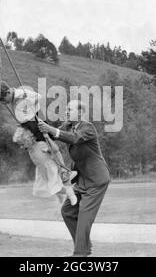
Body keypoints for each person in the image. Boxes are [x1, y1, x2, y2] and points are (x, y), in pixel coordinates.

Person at [38, 100, 111, 257]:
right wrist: (35, 123)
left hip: (97, 180)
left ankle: (80, 253)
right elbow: (52, 134)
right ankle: (85, 246)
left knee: (84, 215)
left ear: (80, 113)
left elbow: (73, 138)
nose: (66, 112)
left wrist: (50, 129)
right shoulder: (68, 126)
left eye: (69, 109)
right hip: (81, 179)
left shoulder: (87, 127)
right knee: (67, 211)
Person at [0, 82, 77, 205]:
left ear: (8, 92)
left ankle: (65, 173)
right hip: (30, 128)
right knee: (49, 162)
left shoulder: (21, 94)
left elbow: (39, 97)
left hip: (36, 126)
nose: (4, 103)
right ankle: (63, 181)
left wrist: (34, 109)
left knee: (52, 150)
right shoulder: (14, 100)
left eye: (3, 99)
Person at [13, 126, 77, 204]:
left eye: (22, 144)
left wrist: (61, 165)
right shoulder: (30, 150)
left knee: (55, 187)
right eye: (20, 145)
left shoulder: (40, 145)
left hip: (51, 169)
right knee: (46, 188)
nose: (21, 147)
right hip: (43, 171)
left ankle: (71, 193)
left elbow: (55, 151)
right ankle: (61, 197)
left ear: (28, 140)